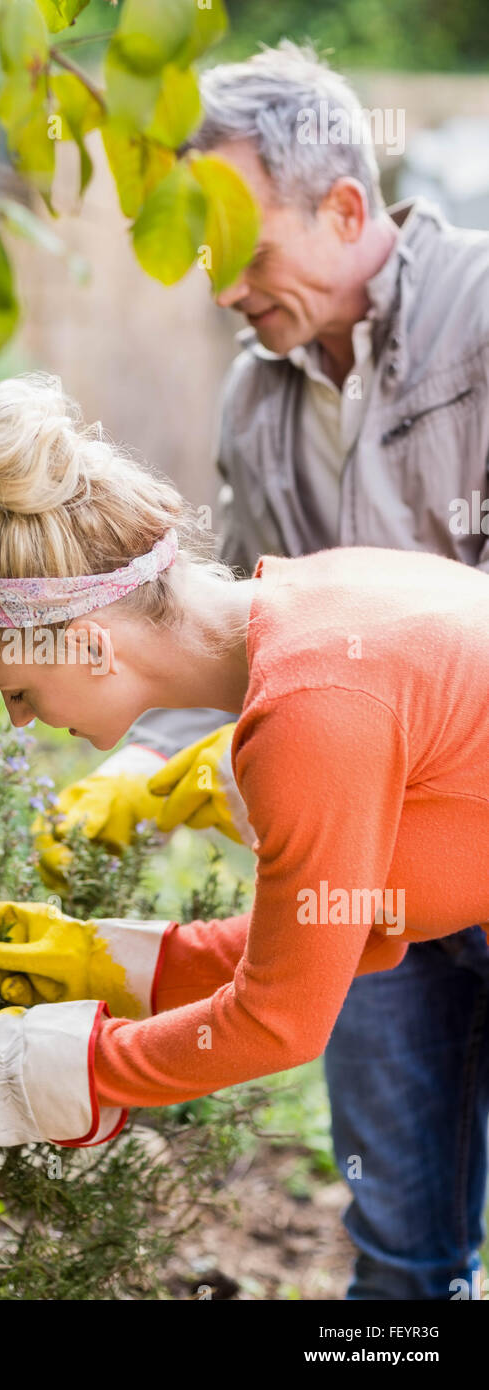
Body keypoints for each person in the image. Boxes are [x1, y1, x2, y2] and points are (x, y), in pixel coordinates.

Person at [30, 40, 489, 1300]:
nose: (224, 288)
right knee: (401, 1239)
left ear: (344, 207)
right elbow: (219, 628)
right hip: (363, 851)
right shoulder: (252, 397)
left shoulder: (483, 317)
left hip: (463, 815)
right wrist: (138, 764)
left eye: (244, 249)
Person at [0, 374, 489, 1246]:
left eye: (14, 688)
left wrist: (58, 1071)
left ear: (84, 643)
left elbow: (279, 1022)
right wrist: (114, 965)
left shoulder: (310, 712)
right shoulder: (311, 610)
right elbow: (349, 933)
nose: (16, 719)